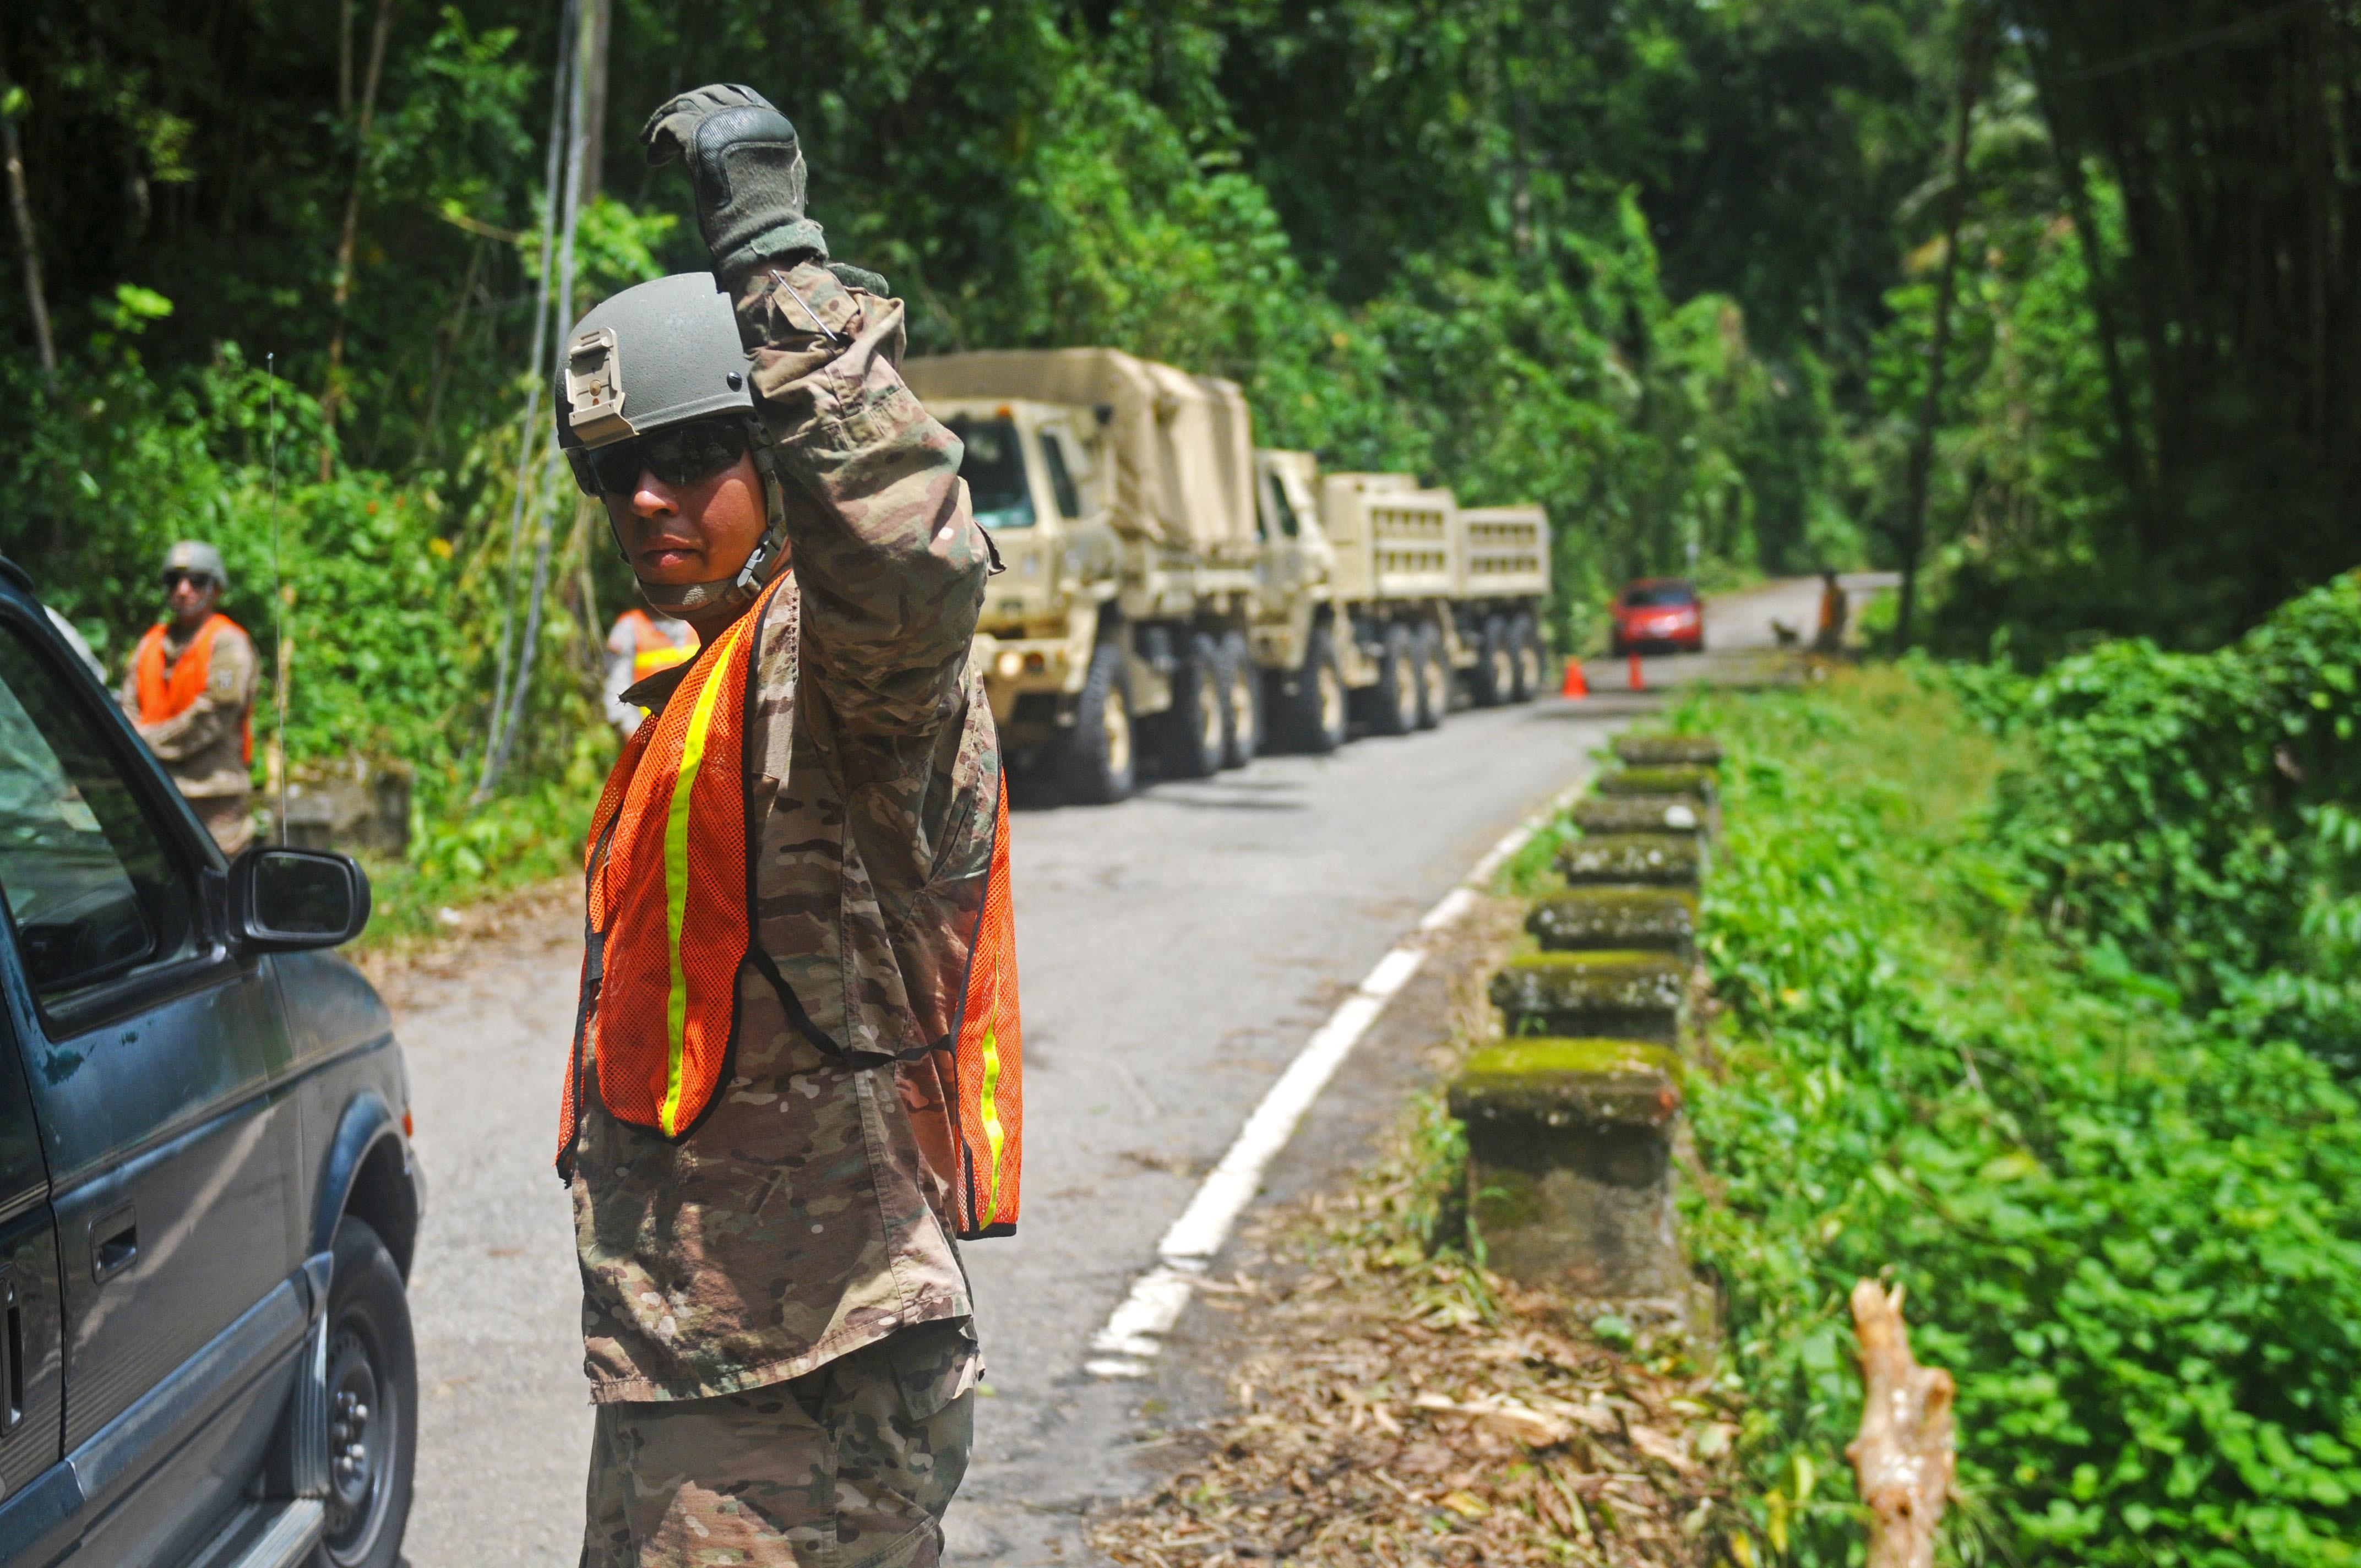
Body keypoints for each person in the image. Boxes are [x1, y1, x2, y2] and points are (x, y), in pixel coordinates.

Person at [556, 84, 1022, 1568]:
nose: (647, 499)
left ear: (775, 458)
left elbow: (907, 545)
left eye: (690, 456)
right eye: (612, 471)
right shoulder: (691, 684)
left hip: (804, 1382)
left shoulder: (846, 670)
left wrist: (774, 255)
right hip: (685, 1367)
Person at [119, 541, 257, 854]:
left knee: (218, 889)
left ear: (216, 589)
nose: (183, 590)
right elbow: (127, 707)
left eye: (197, 581)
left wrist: (144, 743)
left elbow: (213, 716)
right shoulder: (150, 643)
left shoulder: (229, 643)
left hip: (211, 800)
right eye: (174, 581)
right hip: (152, 791)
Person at [602, 606, 699, 737]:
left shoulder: (699, 622)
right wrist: (638, 743)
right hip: (650, 738)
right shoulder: (630, 627)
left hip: (698, 738)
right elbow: (617, 690)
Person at [1814, 568, 1850, 654]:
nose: (1826, 582)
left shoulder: (1839, 594)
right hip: (1824, 629)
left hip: (1833, 630)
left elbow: (1842, 615)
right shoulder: (1827, 593)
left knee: (1831, 652)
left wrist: (1838, 630)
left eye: (1828, 579)